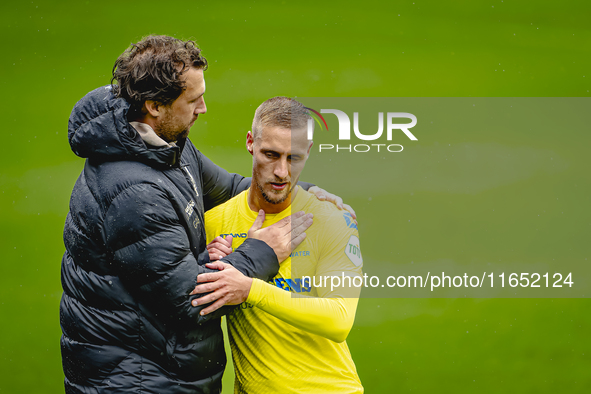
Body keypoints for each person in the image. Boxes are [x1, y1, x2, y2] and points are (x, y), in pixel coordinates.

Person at [60, 35, 347, 394]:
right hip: (140, 381)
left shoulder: (163, 143)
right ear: (154, 105)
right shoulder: (135, 193)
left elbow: (230, 189)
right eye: (193, 100)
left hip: (160, 370)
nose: (203, 108)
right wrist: (263, 253)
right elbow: (194, 302)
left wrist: (304, 198)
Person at [194, 97, 364, 393]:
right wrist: (206, 259)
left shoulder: (331, 218)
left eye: (293, 158)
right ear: (250, 142)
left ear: (308, 152)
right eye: (271, 155)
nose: (282, 172)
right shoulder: (214, 222)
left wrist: (249, 288)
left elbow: (339, 319)